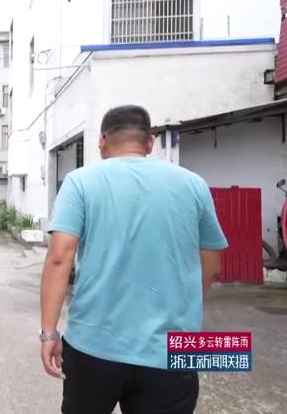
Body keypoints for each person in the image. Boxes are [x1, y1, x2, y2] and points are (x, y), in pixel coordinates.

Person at [39, 105, 228, 413]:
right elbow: (212, 267)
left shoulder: (80, 182)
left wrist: (49, 333)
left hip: (93, 345)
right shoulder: (194, 184)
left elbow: (60, 258)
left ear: (102, 141)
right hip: (172, 349)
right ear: (149, 143)